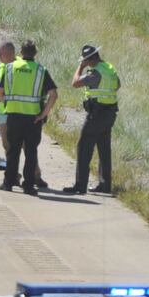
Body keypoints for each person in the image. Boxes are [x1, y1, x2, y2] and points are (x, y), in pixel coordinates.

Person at [0, 39, 57, 195]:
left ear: (21, 52)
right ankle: (29, 186)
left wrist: (6, 102)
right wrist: (44, 114)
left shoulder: (10, 68)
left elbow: (0, 93)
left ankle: (8, 183)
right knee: (31, 152)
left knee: (13, 150)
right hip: (33, 118)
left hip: (14, 115)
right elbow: (53, 95)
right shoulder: (41, 70)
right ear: (35, 53)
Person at [63, 44, 118, 195]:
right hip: (110, 113)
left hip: (97, 115)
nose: (84, 62)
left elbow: (75, 83)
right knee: (104, 149)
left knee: (83, 148)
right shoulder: (108, 68)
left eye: (85, 60)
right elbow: (117, 85)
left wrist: (80, 68)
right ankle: (105, 185)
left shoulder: (95, 74)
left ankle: (80, 186)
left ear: (89, 59)